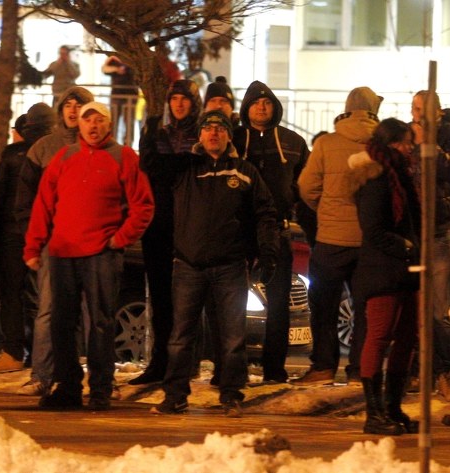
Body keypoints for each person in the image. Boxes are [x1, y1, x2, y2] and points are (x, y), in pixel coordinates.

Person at [146, 111, 278, 417]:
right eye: (208, 128)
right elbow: (150, 165)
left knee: (233, 337)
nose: (214, 133)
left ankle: (231, 394)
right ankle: (175, 395)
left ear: (229, 135)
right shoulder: (185, 168)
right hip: (189, 266)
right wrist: (149, 131)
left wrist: (267, 252)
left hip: (230, 266)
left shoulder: (244, 172)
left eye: (220, 128)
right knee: (180, 336)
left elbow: (265, 213)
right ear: (200, 136)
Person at [24, 101, 154, 410]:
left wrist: (119, 239)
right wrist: (34, 246)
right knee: (61, 323)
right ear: (78, 126)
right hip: (62, 252)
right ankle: (68, 387)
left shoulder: (123, 157)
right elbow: (43, 203)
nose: (93, 126)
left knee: (100, 323)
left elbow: (143, 205)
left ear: (109, 125)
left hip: (101, 254)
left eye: (99, 121)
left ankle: (100, 389)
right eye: (87, 121)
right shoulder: (64, 157)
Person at [295, 87, 382, 386]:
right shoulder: (380, 145)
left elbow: (306, 187)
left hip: (330, 241)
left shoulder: (325, 144)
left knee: (323, 307)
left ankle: (323, 367)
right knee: (365, 311)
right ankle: (359, 370)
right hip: (369, 242)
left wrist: (325, 208)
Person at [12, 86, 94, 396]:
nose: (73, 111)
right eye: (68, 106)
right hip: (52, 241)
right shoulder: (44, 148)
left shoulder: (103, 147)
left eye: (79, 105)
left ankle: (97, 377)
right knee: (48, 308)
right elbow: (26, 198)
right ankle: (42, 374)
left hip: (91, 242)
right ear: (60, 112)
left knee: (93, 311)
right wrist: (33, 234)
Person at [346, 118, 421, 436]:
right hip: (382, 270)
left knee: (406, 339)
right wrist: (405, 246)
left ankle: (392, 407)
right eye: (405, 142)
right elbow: (374, 229)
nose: (410, 147)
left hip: (405, 269)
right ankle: (374, 413)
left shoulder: (400, 175)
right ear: (390, 144)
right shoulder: (376, 178)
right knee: (378, 337)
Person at [233, 80, 310, 384]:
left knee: (278, 301)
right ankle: (233, 367)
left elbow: (306, 183)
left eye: (266, 103)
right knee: (234, 300)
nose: (262, 107)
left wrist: (293, 207)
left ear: (275, 108)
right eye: (255, 103)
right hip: (239, 231)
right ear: (246, 108)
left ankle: (274, 369)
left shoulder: (292, 142)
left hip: (277, 230)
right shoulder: (235, 140)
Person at [131, 79, 202, 386]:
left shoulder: (201, 132)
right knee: (160, 299)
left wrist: (169, 163)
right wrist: (179, 162)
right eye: (174, 99)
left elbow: (194, 170)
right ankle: (158, 363)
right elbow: (150, 168)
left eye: (185, 99)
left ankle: (185, 365)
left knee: (188, 300)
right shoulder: (155, 130)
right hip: (158, 225)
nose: (179, 104)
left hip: (190, 226)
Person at [0, 104, 57, 373]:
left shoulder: (14, 156)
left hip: (12, 234)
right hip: (47, 234)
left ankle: (14, 351)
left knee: (12, 294)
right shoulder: (59, 152)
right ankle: (39, 353)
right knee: (41, 298)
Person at [407, 91, 450, 402]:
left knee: (439, 311)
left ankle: (447, 373)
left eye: (424, 109)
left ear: (438, 112)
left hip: (439, 232)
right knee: (413, 308)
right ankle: (417, 372)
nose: (418, 114)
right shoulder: (406, 133)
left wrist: (425, 144)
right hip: (412, 233)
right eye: (415, 109)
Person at [101, 55, 137, 143]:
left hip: (130, 96)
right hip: (116, 96)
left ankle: (128, 145)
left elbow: (132, 70)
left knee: (129, 123)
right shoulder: (114, 61)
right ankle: (112, 143)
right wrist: (111, 61)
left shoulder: (133, 59)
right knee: (113, 122)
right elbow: (104, 69)